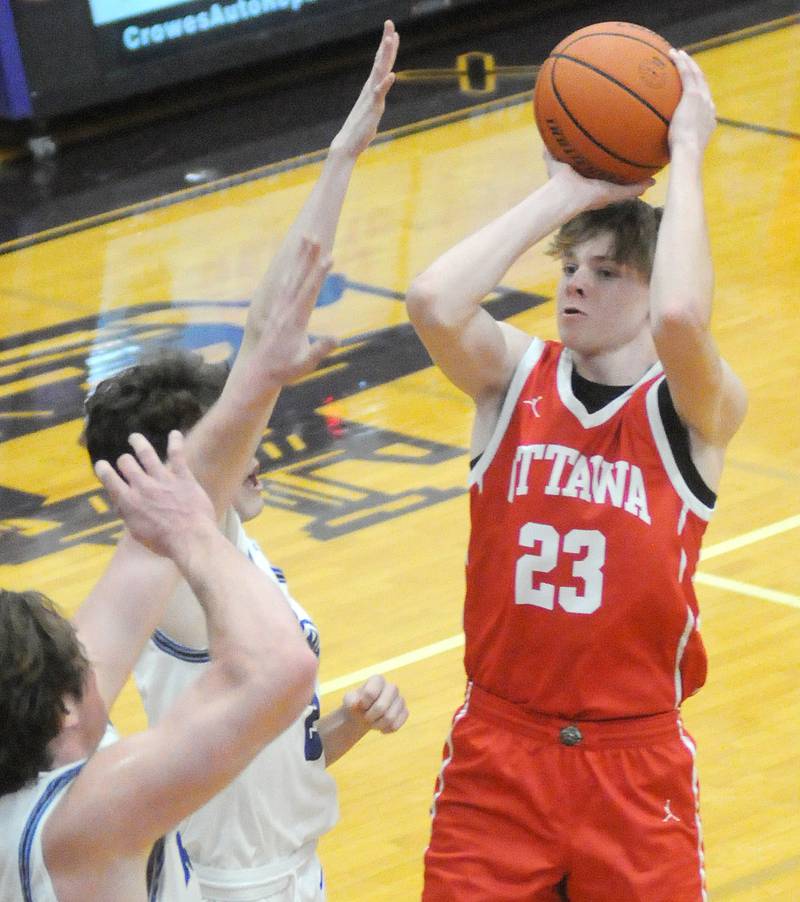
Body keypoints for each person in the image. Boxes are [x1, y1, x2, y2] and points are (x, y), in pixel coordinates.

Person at [405, 49, 747, 901]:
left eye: (605, 272)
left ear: (646, 284)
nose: (575, 287)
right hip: (500, 752)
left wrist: (690, 150)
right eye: (568, 268)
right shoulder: (513, 377)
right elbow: (433, 303)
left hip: (633, 763)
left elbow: (679, 315)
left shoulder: (694, 411)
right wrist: (566, 192)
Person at [80, 22, 408, 902]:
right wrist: (339, 163)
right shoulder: (176, 575)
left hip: (292, 873)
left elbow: (255, 756)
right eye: (231, 438)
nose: (253, 447)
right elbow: (266, 332)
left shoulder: (217, 556)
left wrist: (338, 726)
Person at [0, 228, 336, 901]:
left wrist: (258, 378)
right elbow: (279, 672)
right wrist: (199, 538)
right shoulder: (82, 822)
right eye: (81, 665)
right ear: (66, 708)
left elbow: (141, 560)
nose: (100, 666)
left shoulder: (31, 761)